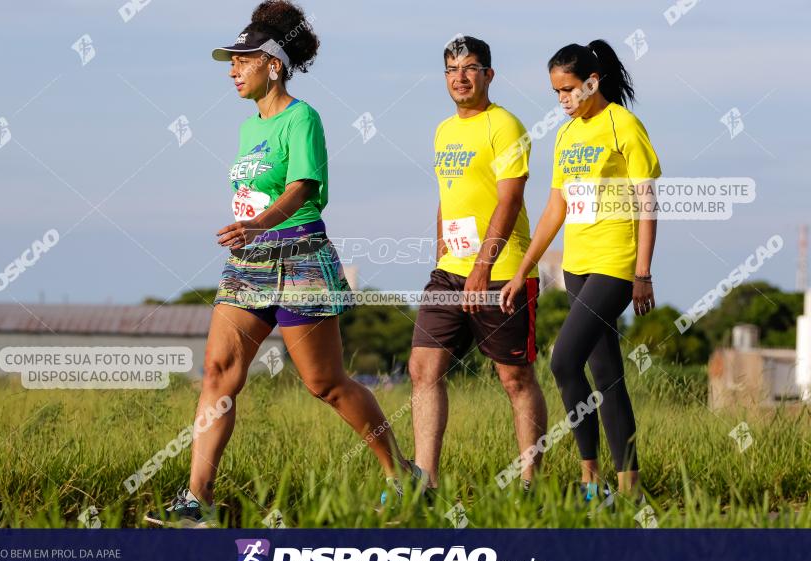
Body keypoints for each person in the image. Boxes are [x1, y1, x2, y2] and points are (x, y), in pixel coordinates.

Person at [146, 0, 422, 528]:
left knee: (326, 384)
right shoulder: (249, 129)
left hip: (299, 257)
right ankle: (195, 503)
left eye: (241, 60)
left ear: (272, 63)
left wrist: (259, 223)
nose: (231, 70)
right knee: (217, 376)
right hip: (248, 263)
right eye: (230, 61)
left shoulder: (303, 118)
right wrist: (248, 233)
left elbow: (301, 188)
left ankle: (400, 474)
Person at [501, 39, 660, 502]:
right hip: (577, 266)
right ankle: (628, 491)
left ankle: (591, 480)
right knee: (607, 374)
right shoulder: (566, 135)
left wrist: (642, 272)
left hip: (615, 263)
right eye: (556, 92)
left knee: (562, 361)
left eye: (570, 89)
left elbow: (647, 205)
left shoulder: (624, 126)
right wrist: (522, 270)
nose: (563, 100)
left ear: (593, 81)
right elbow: (555, 209)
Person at [410, 36, 548, 493]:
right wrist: (441, 258)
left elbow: (510, 200)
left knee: (514, 378)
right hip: (450, 270)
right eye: (451, 69)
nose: (460, 77)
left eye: (470, 68)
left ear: (489, 74)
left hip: (502, 271)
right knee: (423, 369)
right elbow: (447, 201)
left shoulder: (505, 125)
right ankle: (425, 484)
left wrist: (483, 268)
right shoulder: (442, 130)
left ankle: (530, 482)